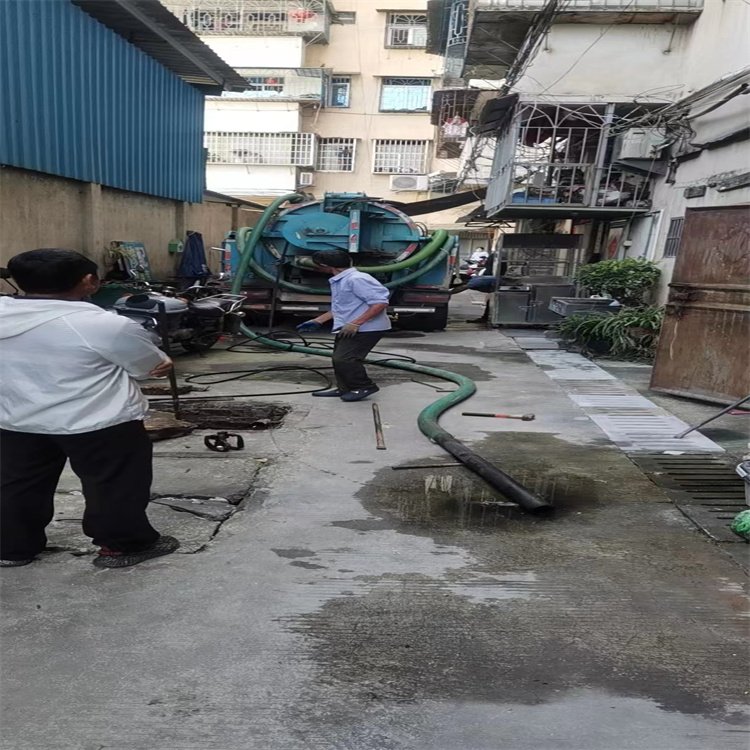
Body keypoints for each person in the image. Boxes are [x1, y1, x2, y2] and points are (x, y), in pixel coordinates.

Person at [0, 249, 179, 568]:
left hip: (17, 418)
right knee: (114, 484)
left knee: (17, 483)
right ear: (88, 281)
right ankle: (124, 545)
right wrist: (162, 363)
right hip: (98, 422)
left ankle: (11, 548)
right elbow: (145, 366)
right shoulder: (102, 324)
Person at [296, 249, 390, 402]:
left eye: (317, 266)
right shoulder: (341, 280)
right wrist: (318, 320)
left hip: (367, 328)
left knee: (345, 359)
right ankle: (344, 388)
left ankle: (364, 386)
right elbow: (342, 307)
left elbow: (380, 302)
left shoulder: (357, 279)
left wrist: (355, 323)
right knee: (337, 358)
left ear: (325, 266)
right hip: (348, 326)